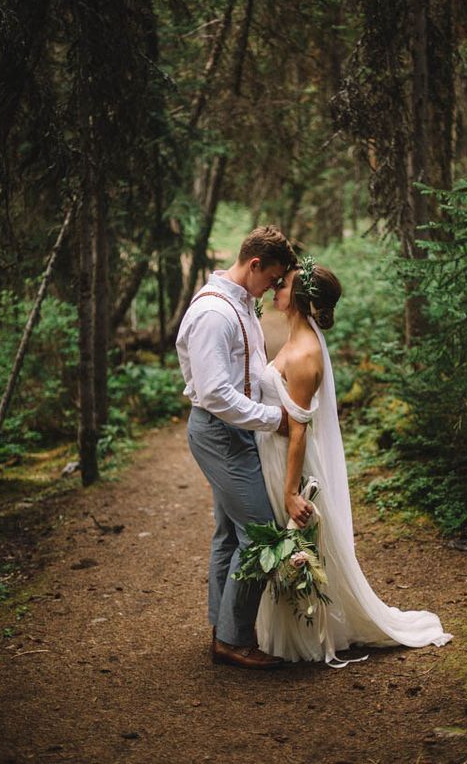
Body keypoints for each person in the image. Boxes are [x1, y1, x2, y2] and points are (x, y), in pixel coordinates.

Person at [254, 257, 453, 664]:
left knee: (300, 542)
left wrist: (292, 492)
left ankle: (308, 633)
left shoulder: (305, 353)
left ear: (301, 298)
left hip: (291, 464)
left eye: (285, 284)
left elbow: (299, 430)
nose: (276, 288)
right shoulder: (294, 339)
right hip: (273, 455)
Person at [176, 226, 297, 669]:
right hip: (220, 433)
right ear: (254, 265)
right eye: (273, 278)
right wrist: (275, 419)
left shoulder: (241, 304)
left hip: (235, 432)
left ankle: (222, 628)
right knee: (262, 533)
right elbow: (214, 393)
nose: (274, 287)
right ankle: (233, 638)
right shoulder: (216, 314)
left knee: (229, 532)